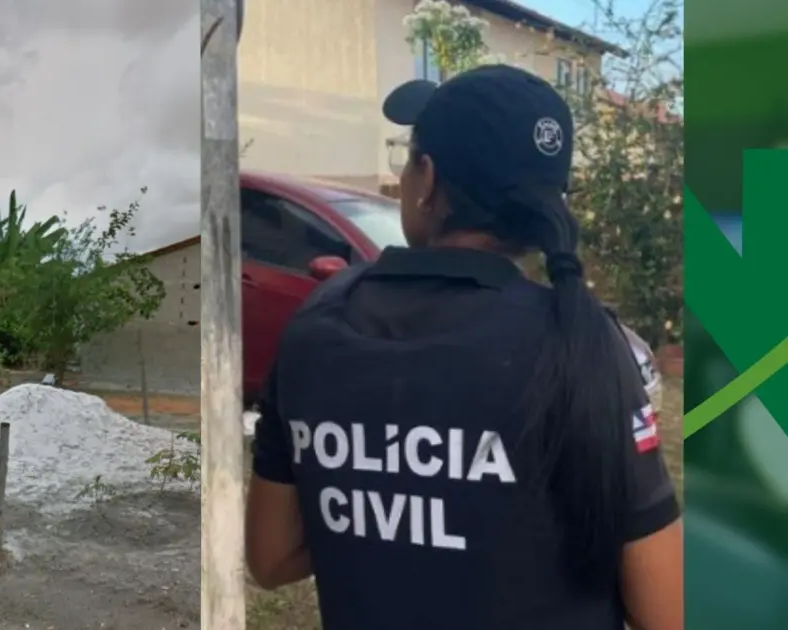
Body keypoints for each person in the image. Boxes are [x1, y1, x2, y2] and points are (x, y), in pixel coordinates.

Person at [244, 65, 683, 630]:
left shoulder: (317, 327)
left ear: (426, 180)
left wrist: (389, 511)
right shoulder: (579, 339)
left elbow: (271, 557)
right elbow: (667, 613)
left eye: (407, 158)